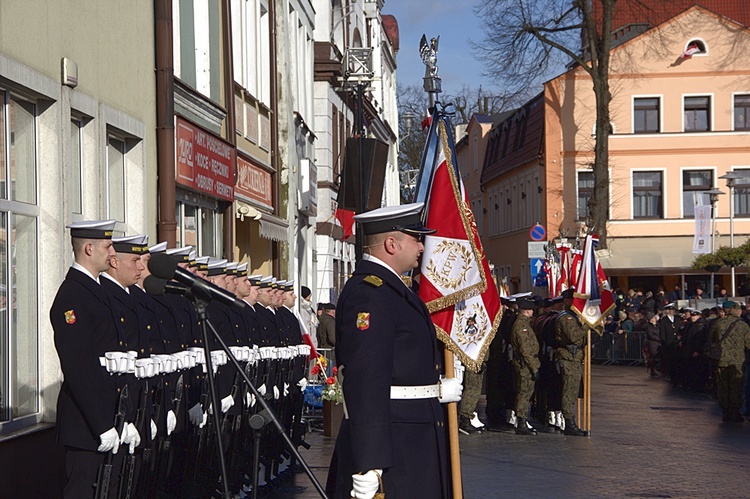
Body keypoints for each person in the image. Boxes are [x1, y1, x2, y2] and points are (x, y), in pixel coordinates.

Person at [327, 203, 461, 499]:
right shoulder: (370, 294)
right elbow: (367, 380)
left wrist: (437, 389)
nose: (422, 247)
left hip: (413, 434)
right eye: (416, 238)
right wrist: (370, 462)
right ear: (391, 244)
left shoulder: (393, 291)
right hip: (395, 442)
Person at [51, 219, 123, 498]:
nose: (113, 252)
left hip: (103, 416)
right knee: (83, 491)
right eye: (108, 246)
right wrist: (102, 425)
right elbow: (78, 367)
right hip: (86, 422)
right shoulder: (73, 295)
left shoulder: (95, 290)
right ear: (89, 249)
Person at [708, 301, 750, 422]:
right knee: (737, 386)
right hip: (737, 361)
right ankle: (735, 412)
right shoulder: (743, 325)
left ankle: (725, 412)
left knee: (723, 386)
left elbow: (712, 339)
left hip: (721, 359)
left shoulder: (718, 323)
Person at [554, 288, 587, 436]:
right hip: (569, 358)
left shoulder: (573, 316)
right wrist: (586, 325)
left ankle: (570, 420)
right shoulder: (566, 318)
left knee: (574, 390)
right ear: (567, 301)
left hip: (575, 358)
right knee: (569, 391)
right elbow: (573, 337)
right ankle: (569, 422)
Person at [511, 298, 540, 435]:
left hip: (527, 363)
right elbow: (525, 349)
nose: (533, 312)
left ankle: (522, 420)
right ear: (527, 311)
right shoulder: (521, 326)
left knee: (526, 392)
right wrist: (534, 368)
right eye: (531, 310)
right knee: (524, 392)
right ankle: (521, 422)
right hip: (525, 365)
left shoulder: (524, 324)